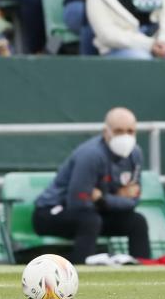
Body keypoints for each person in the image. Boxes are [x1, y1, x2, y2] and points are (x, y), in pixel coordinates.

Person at [33, 107, 151, 264]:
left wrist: (101, 198)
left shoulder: (135, 154)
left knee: (137, 221)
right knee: (90, 220)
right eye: (118, 131)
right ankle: (80, 266)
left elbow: (133, 201)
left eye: (130, 131)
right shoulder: (91, 155)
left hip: (98, 211)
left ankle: (142, 268)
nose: (125, 136)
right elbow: (78, 203)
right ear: (106, 132)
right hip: (51, 212)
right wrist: (116, 197)